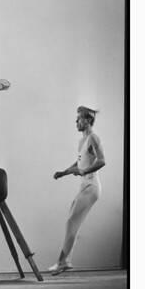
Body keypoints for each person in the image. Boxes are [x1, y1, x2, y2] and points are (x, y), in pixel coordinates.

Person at [50, 106, 106, 275]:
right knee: (72, 222)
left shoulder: (94, 138)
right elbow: (79, 163)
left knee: (71, 222)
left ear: (88, 120)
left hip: (92, 186)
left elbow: (102, 161)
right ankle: (64, 261)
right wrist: (64, 172)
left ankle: (63, 262)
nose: (76, 122)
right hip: (84, 185)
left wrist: (84, 171)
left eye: (79, 119)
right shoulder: (82, 141)